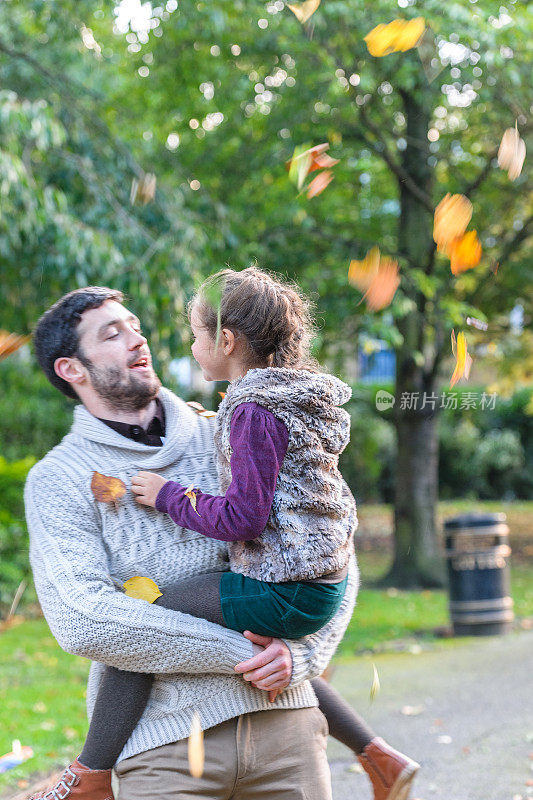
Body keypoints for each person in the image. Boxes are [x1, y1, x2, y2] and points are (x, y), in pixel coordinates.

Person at [23, 283, 417, 800]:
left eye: (136, 327)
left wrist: (301, 659)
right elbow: (85, 621)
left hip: (288, 732)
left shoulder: (235, 430)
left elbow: (326, 544)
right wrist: (245, 651)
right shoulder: (58, 479)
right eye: (113, 334)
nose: (138, 341)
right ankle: (90, 775)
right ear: (72, 369)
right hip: (163, 752)